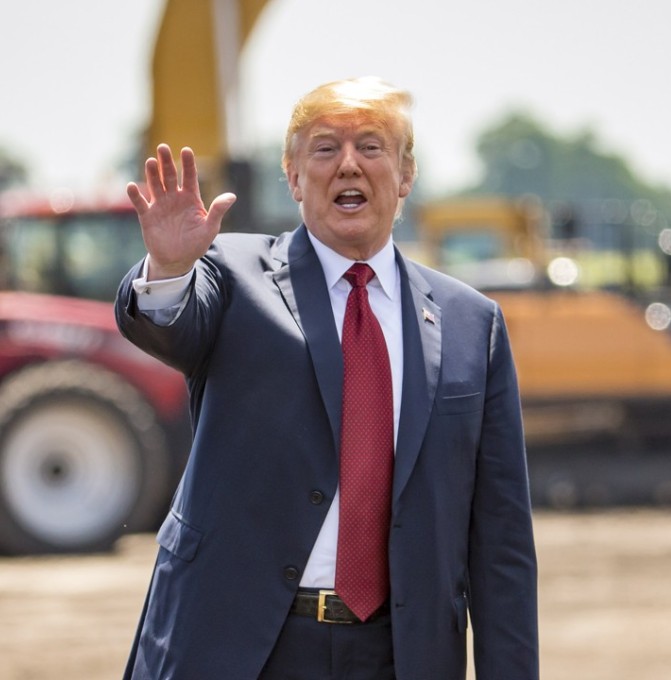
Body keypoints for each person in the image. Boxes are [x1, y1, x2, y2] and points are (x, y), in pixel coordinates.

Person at [116, 77, 539, 680]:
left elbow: (501, 544)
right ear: (292, 176)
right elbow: (168, 325)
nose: (348, 164)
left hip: (401, 653)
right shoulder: (232, 275)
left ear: (405, 176)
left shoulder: (474, 324)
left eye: (371, 146)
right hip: (243, 645)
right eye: (323, 149)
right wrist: (170, 267)